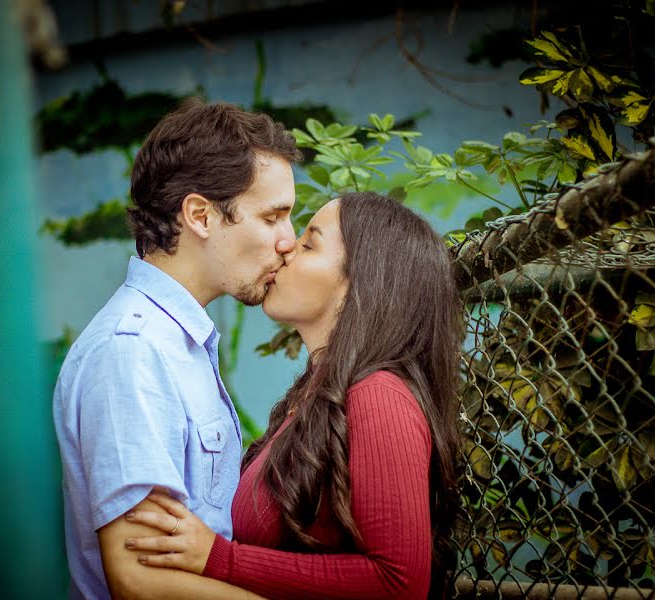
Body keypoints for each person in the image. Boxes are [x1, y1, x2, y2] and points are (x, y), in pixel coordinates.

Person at [123, 191, 464, 600]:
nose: (285, 247)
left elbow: (398, 583)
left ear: (361, 280)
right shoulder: (317, 396)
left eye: (309, 243)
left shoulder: (378, 395)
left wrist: (222, 559)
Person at [52, 97, 302, 599]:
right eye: (273, 217)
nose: (288, 241)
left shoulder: (174, 342)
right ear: (200, 216)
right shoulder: (133, 352)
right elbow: (141, 580)